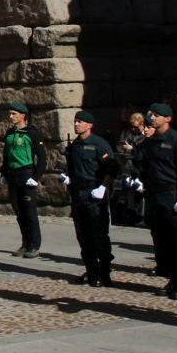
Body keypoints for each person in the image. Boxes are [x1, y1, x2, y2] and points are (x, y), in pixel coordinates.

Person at [137, 102, 177, 299]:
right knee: (164, 242)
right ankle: (173, 279)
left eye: (157, 115)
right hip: (155, 195)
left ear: (168, 119)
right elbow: (141, 163)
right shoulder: (150, 141)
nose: (152, 118)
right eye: (151, 114)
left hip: (173, 193)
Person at [63, 109, 116, 286]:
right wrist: (67, 177)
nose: (76, 124)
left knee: (99, 233)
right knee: (83, 235)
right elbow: (71, 167)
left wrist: (103, 187)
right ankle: (91, 270)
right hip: (78, 194)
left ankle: (104, 272)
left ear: (89, 125)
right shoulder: (74, 145)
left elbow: (111, 168)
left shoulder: (99, 144)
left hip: (94, 193)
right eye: (75, 121)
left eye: (80, 121)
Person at [1, 100, 44, 258]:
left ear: (23, 116)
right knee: (18, 211)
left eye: (14, 114)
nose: (10, 116)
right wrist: (3, 173)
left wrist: (36, 177)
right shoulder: (9, 133)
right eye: (10, 113)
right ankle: (25, 243)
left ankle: (34, 244)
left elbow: (42, 157)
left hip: (26, 173)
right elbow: (6, 155)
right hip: (13, 174)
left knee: (29, 212)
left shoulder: (32, 133)